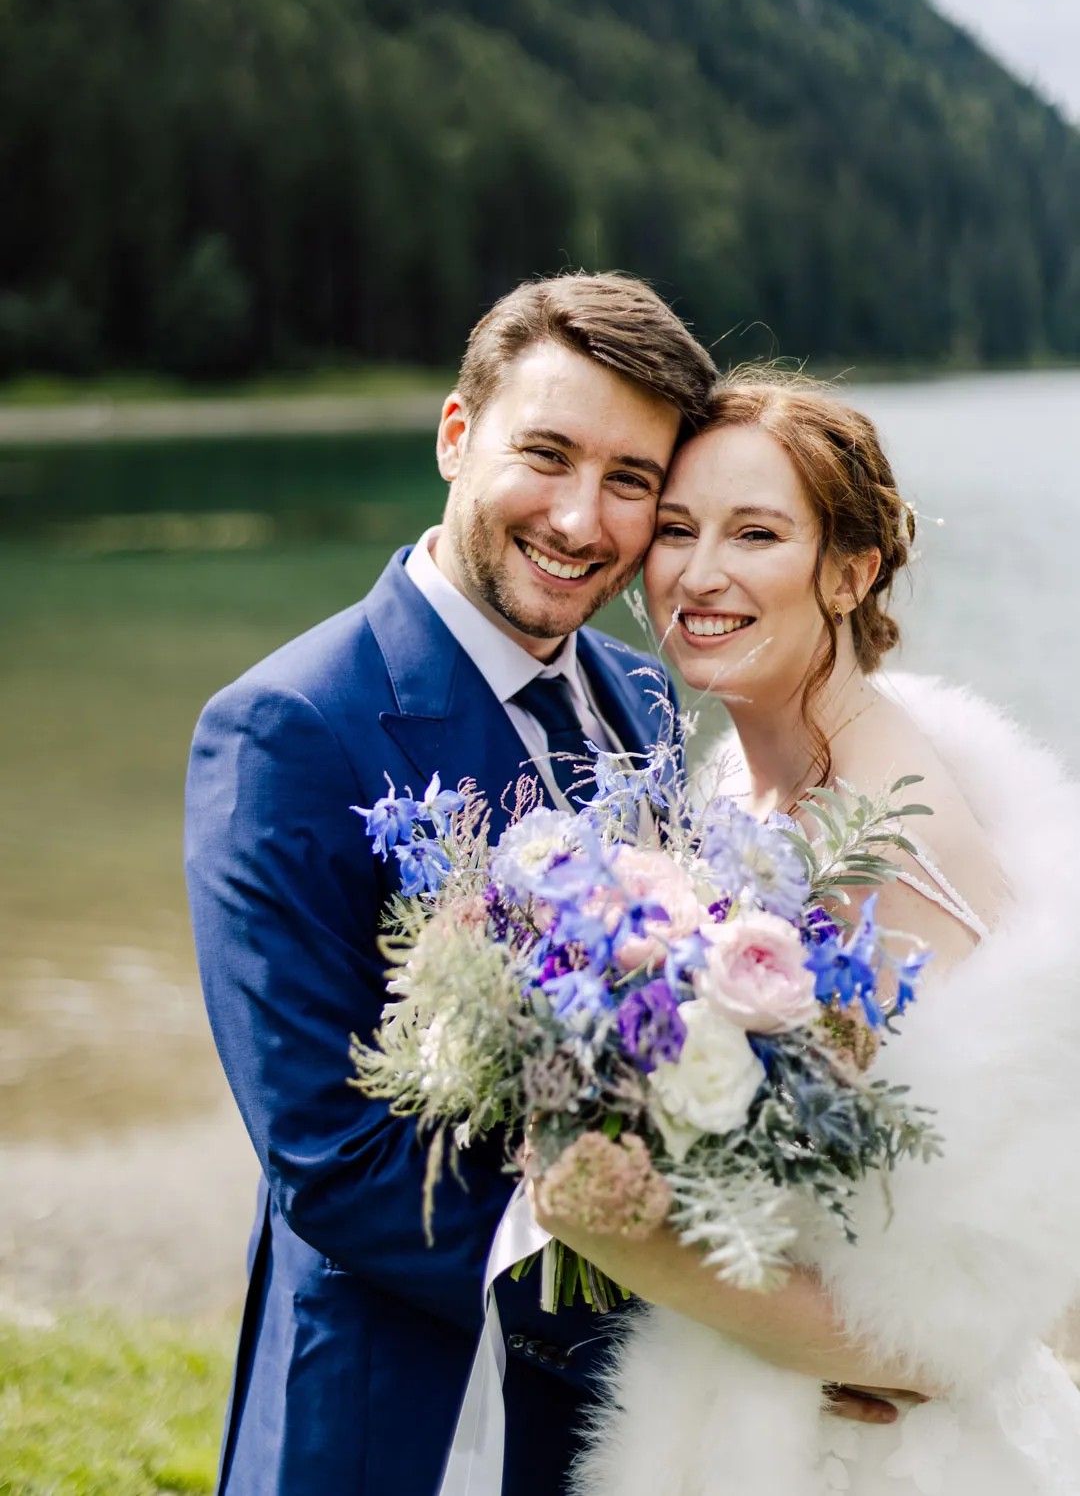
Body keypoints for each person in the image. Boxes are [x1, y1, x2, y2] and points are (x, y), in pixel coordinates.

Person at [183, 271, 719, 1496]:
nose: (583, 521)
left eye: (630, 480)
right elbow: (331, 1155)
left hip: (618, 1430)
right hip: (402, 1410)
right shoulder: (286, 728)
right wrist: (687, 1307)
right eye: (548, 455)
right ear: (455, 436)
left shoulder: (641, 697)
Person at [533, 375, 1080, 1495]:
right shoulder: (736, 780)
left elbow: (958, 1306)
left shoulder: (892, 835)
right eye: (677, 530)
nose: (699, 572)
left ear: (851, 570)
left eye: (757, 533)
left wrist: (622, 1240)